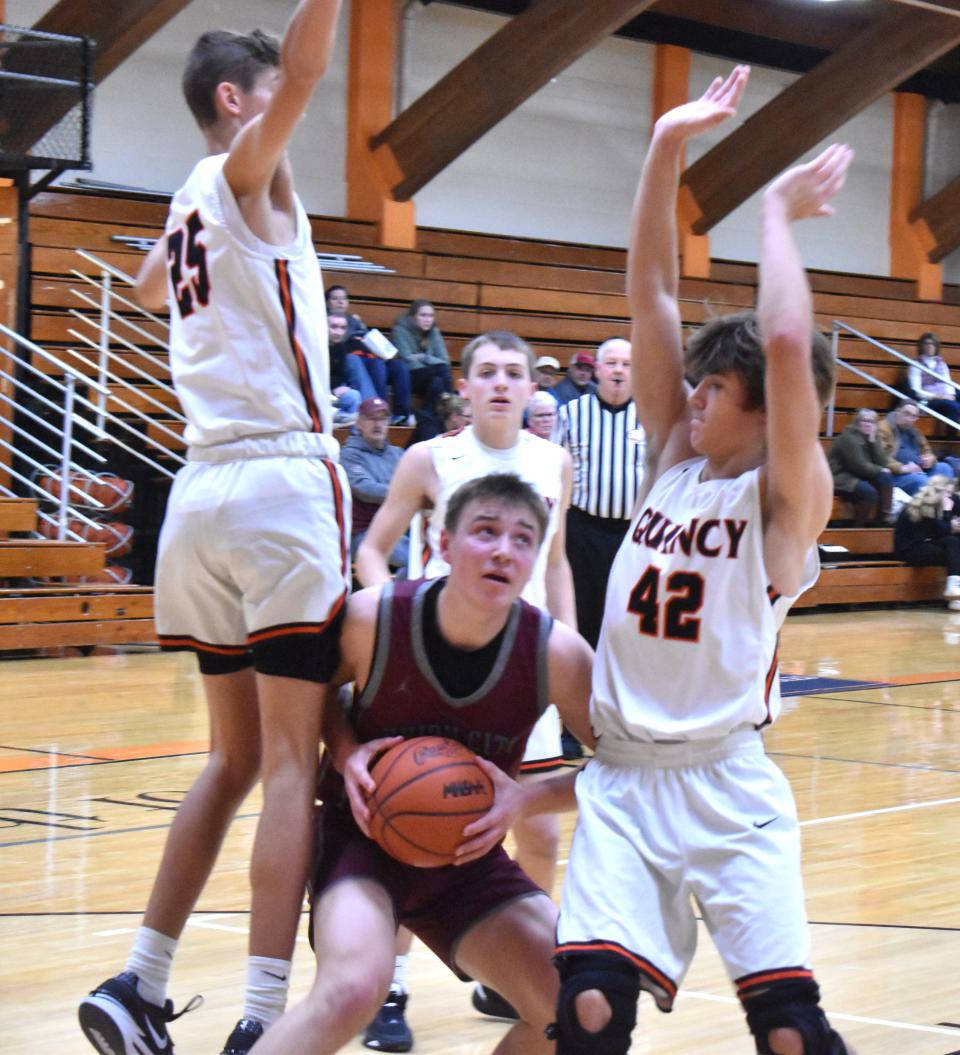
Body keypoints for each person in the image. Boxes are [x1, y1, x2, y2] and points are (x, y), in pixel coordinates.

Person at [554, 67, 855, 1055]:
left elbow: (783, 335)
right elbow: (650, 289)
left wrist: (775, 211)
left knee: (790, 1036)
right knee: (589, 1014)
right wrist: (664, 145)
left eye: (715, 388)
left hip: (726, 786)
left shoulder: (784, 504)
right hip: (622, 780)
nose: (691, 398)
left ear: (765, 408)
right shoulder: (673, 463)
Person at [78, 6, 350, 1055]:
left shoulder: (190, 201)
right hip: (281, 479)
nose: (287, 107)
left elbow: (152, 286)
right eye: (268, 92)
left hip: (198, 496)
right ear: (236, 101)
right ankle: (262, 1017)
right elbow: (310, 72)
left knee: (231, 759)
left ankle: (139, 981)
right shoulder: (245, 173)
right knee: (292, 764)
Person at [252, 474, 595, 1055]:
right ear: (442, 544)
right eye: (485, 532)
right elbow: (309, 701)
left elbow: (635, 770)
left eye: (521, 539)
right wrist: (344, 749)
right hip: (360, 841)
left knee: (583, 1012)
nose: (502, 550)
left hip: (467, 861)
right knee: (354, 989)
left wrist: (528, 798)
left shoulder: (557, 654)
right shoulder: (373, 617)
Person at [356, 330, 575, 1045]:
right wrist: (392, 621)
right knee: (418, 821)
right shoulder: (431, 457)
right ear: (467, 385)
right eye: (488, 372)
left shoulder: (553, 461)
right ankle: (390, 988)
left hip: (523, 662)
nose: (503, 383)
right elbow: (370, 546)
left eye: (515, 372)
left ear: (531, 385)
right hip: (439, 664)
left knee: (539, 827)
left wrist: (572, 643)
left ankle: (508, 966)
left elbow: (560, 560)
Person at [557, 336, 644, 650]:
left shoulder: (653, 417)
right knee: (584, 613)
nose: (618, 370)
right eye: (611, 363)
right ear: (597, 370)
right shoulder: (570, 413)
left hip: (635, 534)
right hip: (582, 531)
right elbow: (555, 471)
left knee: (629, 615)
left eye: (627, 364)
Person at [341, 397, 409, 572]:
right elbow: (365, 489)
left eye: (383, 419)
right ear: (359, 423)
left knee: (433, 558)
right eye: (372, 418)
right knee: (416, 561)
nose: (377, 424)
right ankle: (394, 597)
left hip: (400, 529)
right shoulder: (348, 455)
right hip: (365, 533)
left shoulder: (397, 453)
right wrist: (408, 493)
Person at [328, 289, 413, 427]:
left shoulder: (353, 321)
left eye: (343, 298)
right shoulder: (324, 327)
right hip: (356, 360)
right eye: (335, 298)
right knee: (370, 365)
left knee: (398, 367)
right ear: (327, 302)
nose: (340, 302)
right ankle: (377, 410)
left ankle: (401, 414)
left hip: (368, 355)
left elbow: (368, 337)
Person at [893, 474, 960, 609]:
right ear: (939, 491)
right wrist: (947, 512)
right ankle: (954, 590)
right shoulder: (927, 506)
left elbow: (940, 532)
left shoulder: (928, 503)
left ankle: (955, 596)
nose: (950, 498)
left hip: (920, 546)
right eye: (947, 493)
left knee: (953, 545)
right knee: (953, 545)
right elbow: (943, 531)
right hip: (909, 551)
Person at [390, 299, 454, 439]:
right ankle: (451, 410)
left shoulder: (434, 332)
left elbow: (445, 360)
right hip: (409, 376)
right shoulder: (399, 330)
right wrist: (431, 363)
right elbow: (407, 359)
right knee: (440, 371)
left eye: (430, 316)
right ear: (412, 317)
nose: (427, 320)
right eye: (423, 315)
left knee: (436, 382)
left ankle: (424, 415)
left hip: (429, 376)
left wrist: (423, 357)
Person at [827, 408, 894, 525]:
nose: (868, 424)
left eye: (871, 422)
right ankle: (858, 527)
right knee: (868, 492)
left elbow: (883, 462)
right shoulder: (848, 438)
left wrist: (873, 441)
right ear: (857, 422)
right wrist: (880, 469)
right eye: (865, 421)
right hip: (840, 476)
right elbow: (859, 466)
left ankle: (882, 520)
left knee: (886, 478)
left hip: (859, 475)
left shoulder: (872, 437)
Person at [878, 400, 955, 496]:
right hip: (896, 474)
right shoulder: (883, 428)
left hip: (918, 470)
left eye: (913, 416)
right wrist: (902, 468)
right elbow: (880, 456)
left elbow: (927, 451)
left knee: (945, 468)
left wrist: (930, 459)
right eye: (906, 414)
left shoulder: (914, 431)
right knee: (922, 481)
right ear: (897, 411)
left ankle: (947, 506)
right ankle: (929, 507)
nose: (909, 419)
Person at [906, 332, 960, 424]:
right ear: (921, 346)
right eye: (926, 343)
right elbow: (916, 391)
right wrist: (939, 396)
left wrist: (951, 395)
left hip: (946, 396)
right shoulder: (916, 365)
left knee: (953, 402)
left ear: (936, 346)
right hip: (930, 400)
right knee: (953, 407)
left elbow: (948, 382)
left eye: (932, 344)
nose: (929, 346)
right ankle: (950, 437)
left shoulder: (942, 363)